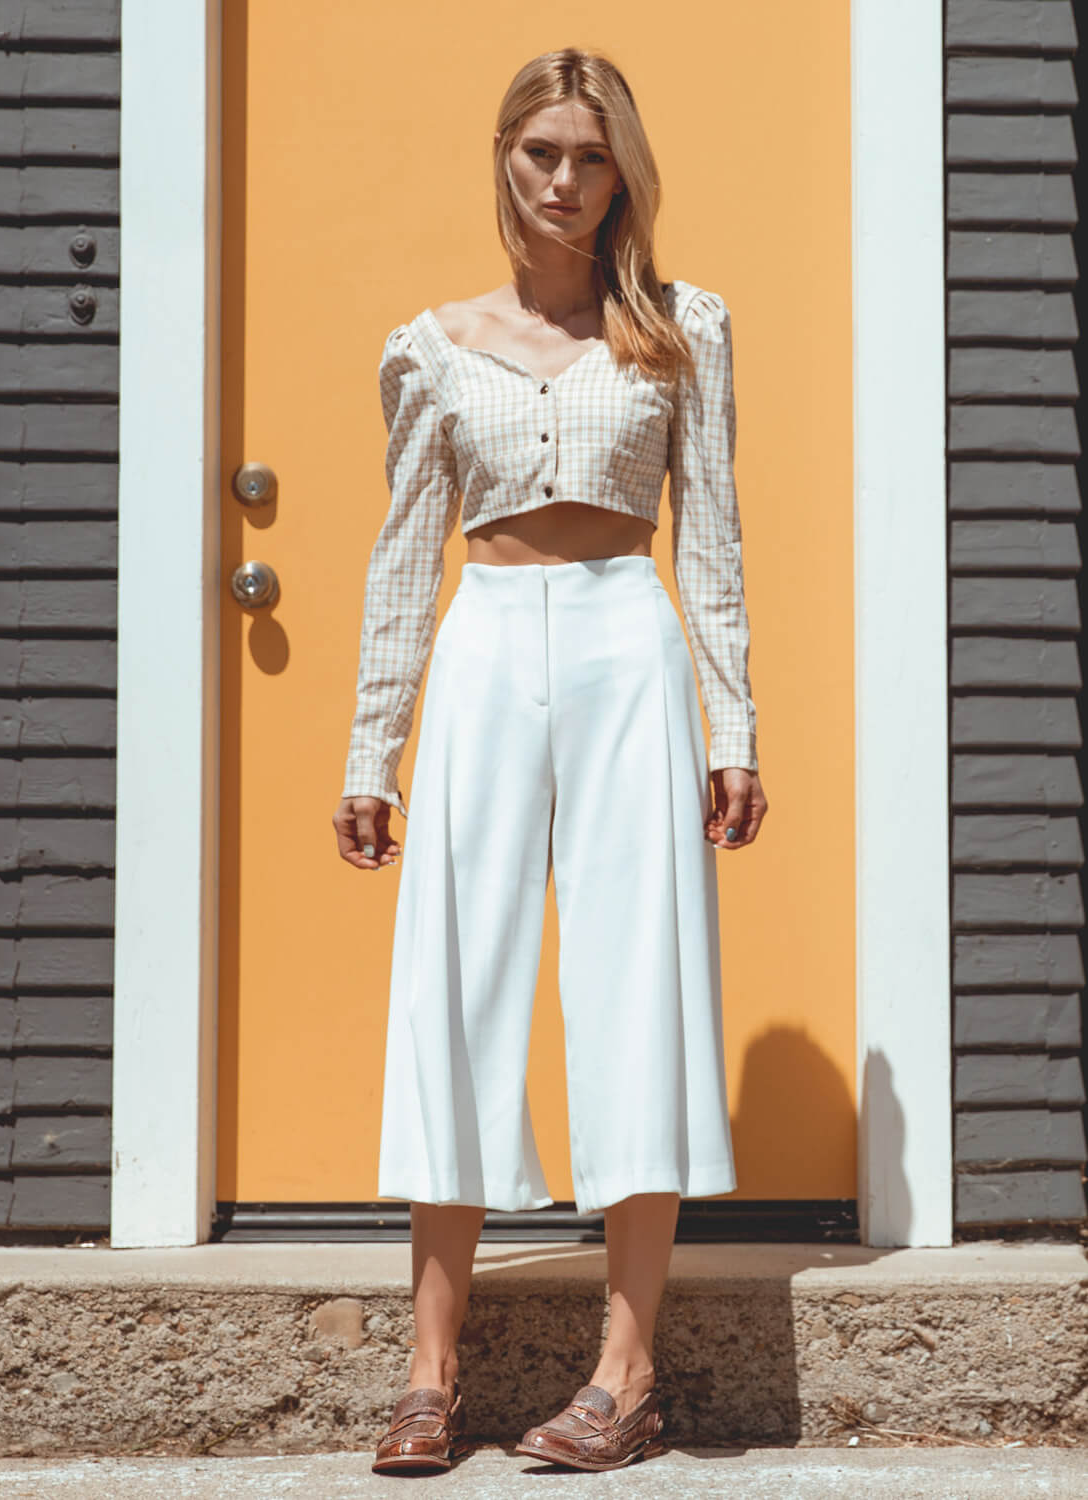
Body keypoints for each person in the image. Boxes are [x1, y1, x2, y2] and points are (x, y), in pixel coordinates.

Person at [330, 46, 768, 1475]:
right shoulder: (435, 345)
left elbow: (709, 542)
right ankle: (429, 1370)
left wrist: (735, 723)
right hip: (485, 648)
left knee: (640, 985)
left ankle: (625, 1376)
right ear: (503, 157)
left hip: (626, 649)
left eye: (592, 157)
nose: (567, 183)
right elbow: (405, 557)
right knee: (455, 986)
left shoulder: (681, 329)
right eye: (542, 155)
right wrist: (371, 753)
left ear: (622, 170)